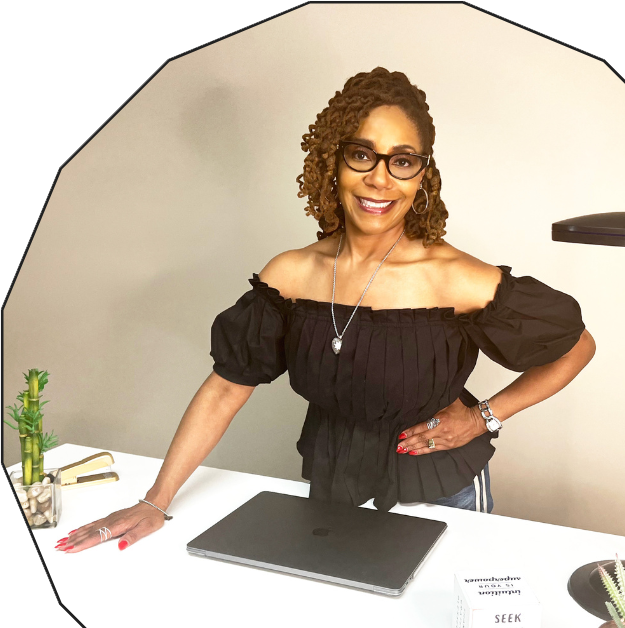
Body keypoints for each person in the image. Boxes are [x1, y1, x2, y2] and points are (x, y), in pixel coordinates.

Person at [57, 67, 595, 555]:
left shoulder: (456, 277)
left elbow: (577, 346)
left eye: (402, 161)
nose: (380, 179)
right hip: (332, 484)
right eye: (362, 154)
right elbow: (225, 389)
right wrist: (155, 501)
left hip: (441, 494)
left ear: (422, 175)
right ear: (332, 161)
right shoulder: (291, 274)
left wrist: (483, 418)